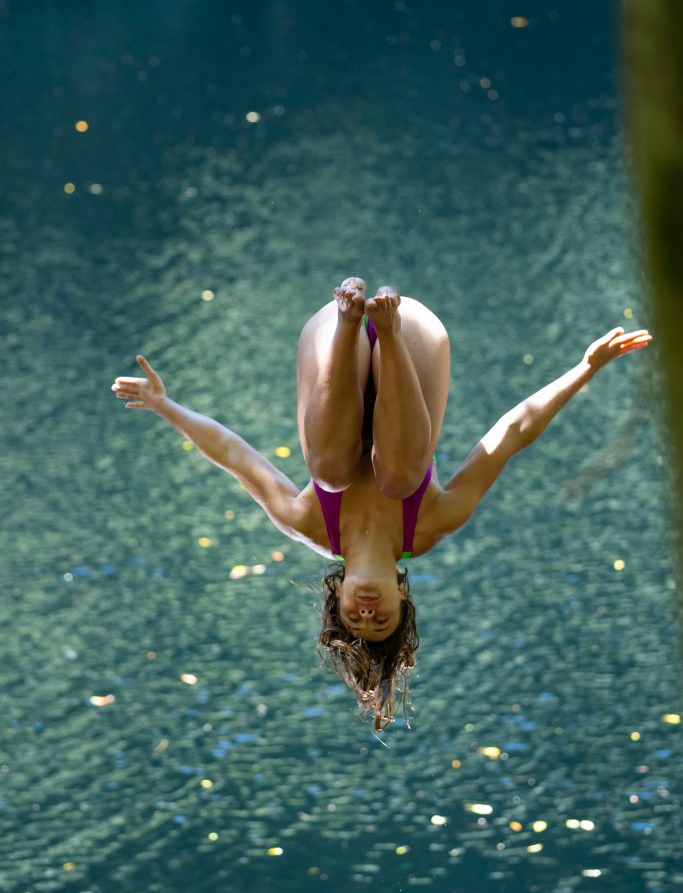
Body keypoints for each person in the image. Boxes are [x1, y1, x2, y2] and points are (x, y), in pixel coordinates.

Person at [111, 277, 652, 730]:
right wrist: (585, 369)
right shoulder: (434, 522)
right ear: (401, 592)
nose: (367, 612)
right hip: (411, 336)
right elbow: (509, 434)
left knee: (329, 472)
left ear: (337, 594)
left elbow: (233, 454)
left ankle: (354, 324)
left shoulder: (306, 523)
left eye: (355, 618)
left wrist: (164, 405)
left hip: (333, 336)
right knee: (398, 477)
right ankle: (383, 335)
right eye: (380, 620)